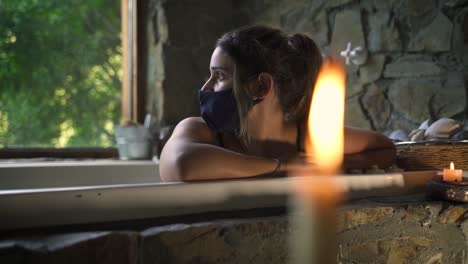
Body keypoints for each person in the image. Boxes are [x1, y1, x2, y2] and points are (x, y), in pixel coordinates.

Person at [160, 25, 395, 182]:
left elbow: (385, 149)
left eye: (219, 76)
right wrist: (282, 167)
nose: (205, 88)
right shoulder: (201, 131)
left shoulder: (310, 137)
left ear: (261, 86)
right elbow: (181, 164)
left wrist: (327, 164)